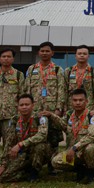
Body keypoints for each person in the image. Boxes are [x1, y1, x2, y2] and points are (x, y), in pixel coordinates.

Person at [24, 41, 67, 173]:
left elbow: (61, 90)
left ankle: (52, 165)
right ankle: (33, 163)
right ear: (38, 52)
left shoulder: (58, 70)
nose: (44, 53)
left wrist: (58, 109)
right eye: (42, 51)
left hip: (51, 109)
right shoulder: (32, 69)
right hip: (35, 110)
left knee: (53, 138)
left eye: (47, 51)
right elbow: (27, 89)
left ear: (52, 53)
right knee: (35, 136)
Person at [45, 88, 94, 184]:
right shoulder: (69, 116)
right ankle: (81, 169)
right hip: (73, 153)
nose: (78, 103)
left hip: (87, 150)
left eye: (81, 100)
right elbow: (63, 125)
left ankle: (91, 174)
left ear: (86, 101)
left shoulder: (91, 117)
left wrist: (74, 148)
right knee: (55, 161)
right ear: (71, 102)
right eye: (75, 100)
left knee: (90, 149)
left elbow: (92, 136)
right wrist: (51, 115)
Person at [0, 93, 49, 183]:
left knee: (40, 147)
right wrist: (3, 164)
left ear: (33, 105)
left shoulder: (40, 118)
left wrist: (21, 144)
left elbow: (42, 135)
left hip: (38, 152)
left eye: (27, 104)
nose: (24, 107)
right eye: (21, 105)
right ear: (18, 107)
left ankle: (34, 173)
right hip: (22, 154)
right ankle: (25, 173)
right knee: (0, 178)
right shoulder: (14, 120)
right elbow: (9, 142)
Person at [64, 45, 94, 110]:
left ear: (88, 56)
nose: (82, 55)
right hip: (71, 107)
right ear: (75, 56)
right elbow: (64, 90)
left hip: (88, 107)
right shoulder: (68, 71)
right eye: (79, 53)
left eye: (84, 54)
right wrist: (64, 107)